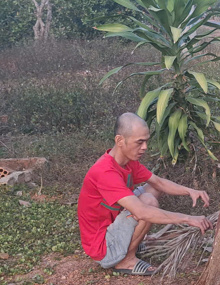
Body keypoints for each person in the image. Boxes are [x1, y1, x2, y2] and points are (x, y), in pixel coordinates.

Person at [77, 113, 213, 276]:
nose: (145, 147)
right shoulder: (105, 172)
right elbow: (142, 211)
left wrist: (190, 190)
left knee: (153, 188)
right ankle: (126, 260)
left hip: (113, 228)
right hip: (104, 248)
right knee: (148, 202)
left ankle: (133, 241)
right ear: (120, 141)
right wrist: (188, 218)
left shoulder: (127, 162)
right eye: (139, 142)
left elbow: (159, 183)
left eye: (146, 141)